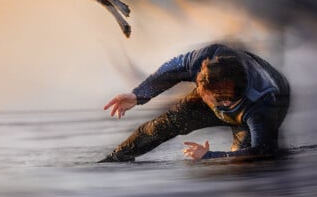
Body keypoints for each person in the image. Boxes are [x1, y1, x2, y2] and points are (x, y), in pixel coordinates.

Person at [99, 43, 290, 162]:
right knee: (164, 124)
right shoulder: (210, 60)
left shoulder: (262, 106)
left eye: (204, 93)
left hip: (268, 102)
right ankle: (117, 158)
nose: (198, 91)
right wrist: (138, 95)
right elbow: (174, 68)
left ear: (223, 102)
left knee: (243, 164)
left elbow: (263, 151)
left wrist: (210, 156)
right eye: (199, 85)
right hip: (230, 92)